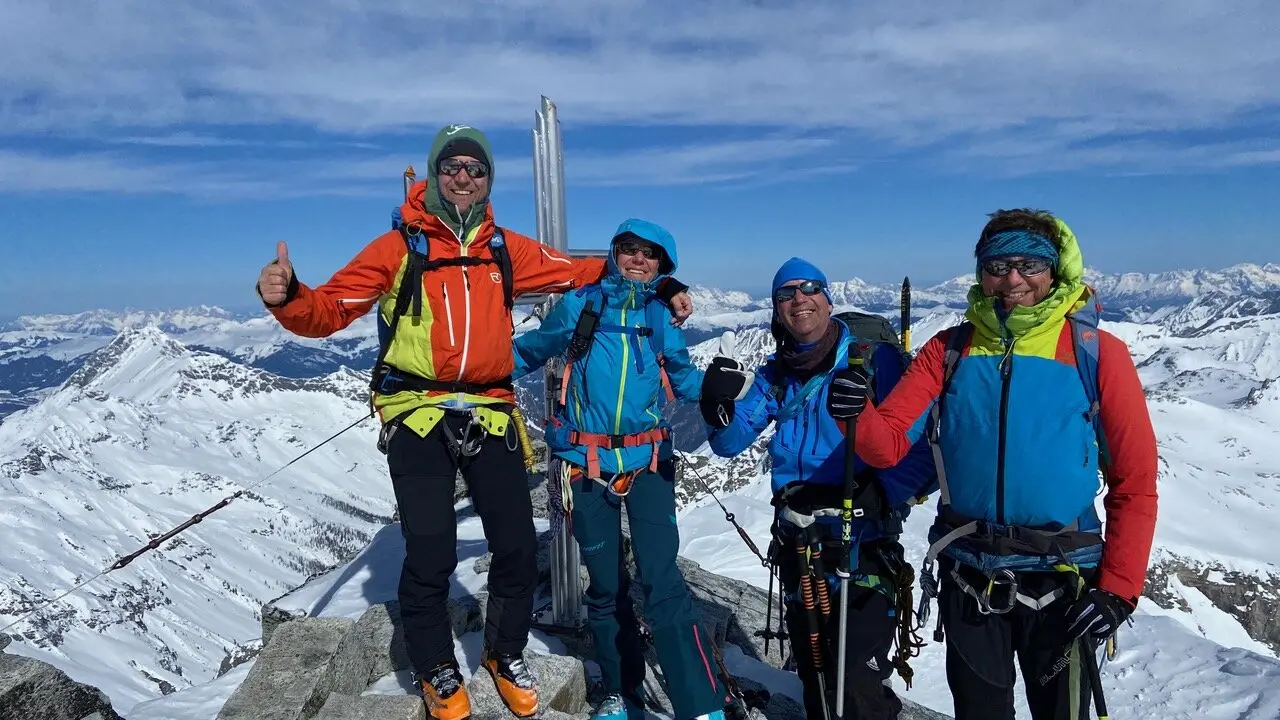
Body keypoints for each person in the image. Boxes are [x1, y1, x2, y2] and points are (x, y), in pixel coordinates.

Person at [255, 125, 694, 720]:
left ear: (488, 180)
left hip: (489, 411)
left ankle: (503, 652)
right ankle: (436, 664)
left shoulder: (504, 250)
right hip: (417, 410)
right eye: (452, 166)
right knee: (431, 548)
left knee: (516, 545)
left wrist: (663, 283)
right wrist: (288, 298)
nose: (463, 176)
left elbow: (584, 271)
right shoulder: (397, 249)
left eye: (476, 168)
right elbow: (331, 309)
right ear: (436, 175)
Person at [844, 209, 1159, 720]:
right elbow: (888, 447)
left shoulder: (1096, 354)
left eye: (1029, 264)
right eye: (998, 265)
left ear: (1054, 271)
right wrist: (854, 413)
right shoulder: (947, 350)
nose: (1013, 280)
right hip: (970, 574)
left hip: (1063, 580)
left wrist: (1119, 589)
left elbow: (1135, 480)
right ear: (981, 272)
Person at [700, 257, 937, 720]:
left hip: (863, 543)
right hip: (800, 545)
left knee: (856, 680)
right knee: (815, 674)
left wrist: (880, 494)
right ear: (777, 310)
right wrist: (715, 407)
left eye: (809, 289)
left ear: (828, 300)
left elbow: (923, 449)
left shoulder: (875, 363)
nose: (799, 299)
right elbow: (729, 444)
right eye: (785, 294)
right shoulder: (777, 374)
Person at [511, 219, 728, 720]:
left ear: (662, 266)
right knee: (606, 586)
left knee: (662, 579)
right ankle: (621, 692)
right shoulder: (581, 305)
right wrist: (471, 377)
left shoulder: (659, 315)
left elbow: (684, 379)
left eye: (650, 254)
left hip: (648, 463)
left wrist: (725, 388)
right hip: (585, 465)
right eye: (629, 249)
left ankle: (700, 703)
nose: (638, 259)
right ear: (614, 253)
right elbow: (529, 350)